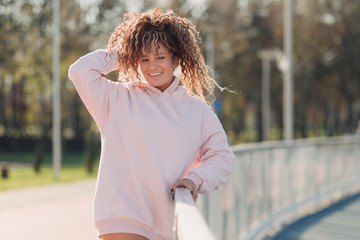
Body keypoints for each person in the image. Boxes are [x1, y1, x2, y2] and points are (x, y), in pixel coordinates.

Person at [68, 8, 235, 240]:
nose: (152, 66)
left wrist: (195, 180)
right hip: (121, 218)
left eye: (160, 57)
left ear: (175, 59)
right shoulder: (116, 99)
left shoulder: (196, 110)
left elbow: (222, 156)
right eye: (144, 58)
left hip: (165, 224)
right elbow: (79, 71)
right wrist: (124, 51)